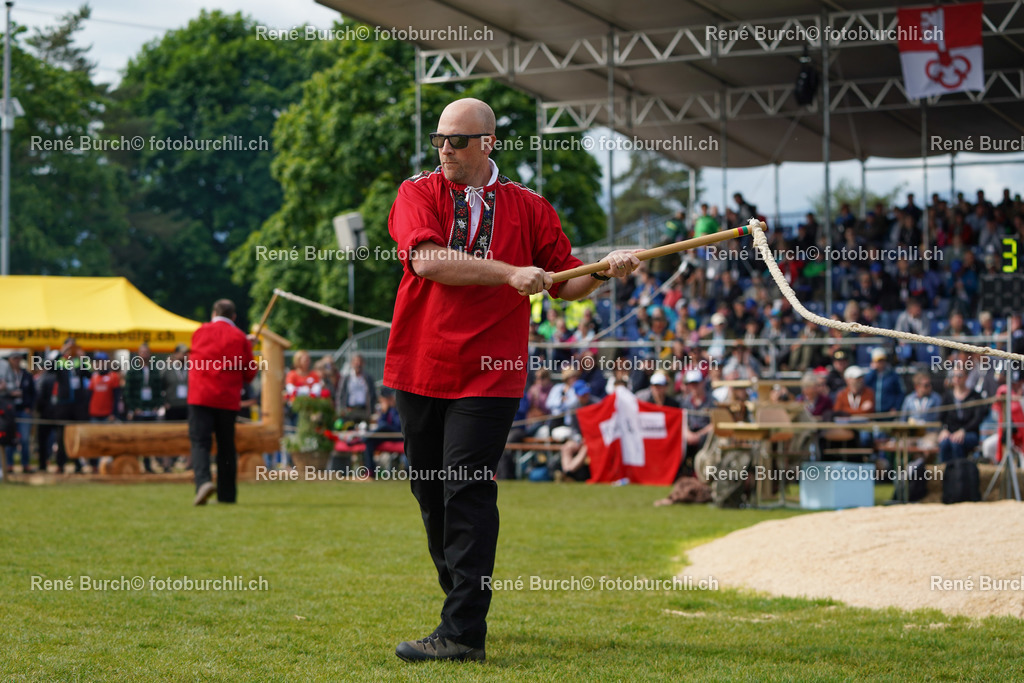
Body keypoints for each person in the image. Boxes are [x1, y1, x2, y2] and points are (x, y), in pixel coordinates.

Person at [384, 97, 640, 663]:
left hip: (491, 375)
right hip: (421, 366)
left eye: (458, 140)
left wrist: (602, 270)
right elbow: (427, 261)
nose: (445, 149)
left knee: (467, 489)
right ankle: (463, 601)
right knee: (430, 493)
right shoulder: (417, 193)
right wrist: (509, 273)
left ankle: (461, 633)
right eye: (440, 139)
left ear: (489, 142)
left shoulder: (530, 208)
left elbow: (563, 280)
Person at [188, 299, 257, 506]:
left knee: (200, 442)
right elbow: (249, 374)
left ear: (213, 313)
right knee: (226, 446)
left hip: (200, 396)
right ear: (234, 317)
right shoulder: (239, 337)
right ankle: (226, 495)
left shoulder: (200, 332)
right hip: (227, 399)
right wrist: (249, 347)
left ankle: (203, 482)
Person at [938, 369, 985, 463]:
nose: (957, 378)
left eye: (960, 375)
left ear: (966, 377)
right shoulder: (947, 396)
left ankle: (960, 471)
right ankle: (945, 472)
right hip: (951, 432)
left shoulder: (975, 396)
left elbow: (977, 419)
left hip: (970, 433)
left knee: (956, 443)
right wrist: (944, 429)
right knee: (944, 443)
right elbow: (941, 417)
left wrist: (963, 430)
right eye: (954, 376)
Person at [2, 352, 35, 473]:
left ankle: (25, 464)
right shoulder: (4, 375)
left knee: (25, 439)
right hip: (9, 411)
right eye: (14, 358)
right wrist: (10, 393)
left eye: (19, 358)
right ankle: (9, 465)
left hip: (23, 410)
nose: (17, 360)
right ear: (10, 360)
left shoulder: (26, 375)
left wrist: (29, 407)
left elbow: (33, 393)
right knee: (9, 438)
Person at [336, 353, 375, 424]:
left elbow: (373, 395)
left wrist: (371, 411)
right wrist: (341, 409)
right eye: (356, 362)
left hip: (364, 410)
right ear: (352, 363)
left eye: (360, 362)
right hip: (350, 410)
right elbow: (340, 394)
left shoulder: (368, 378)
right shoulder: (346, 378)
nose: (358, 364)